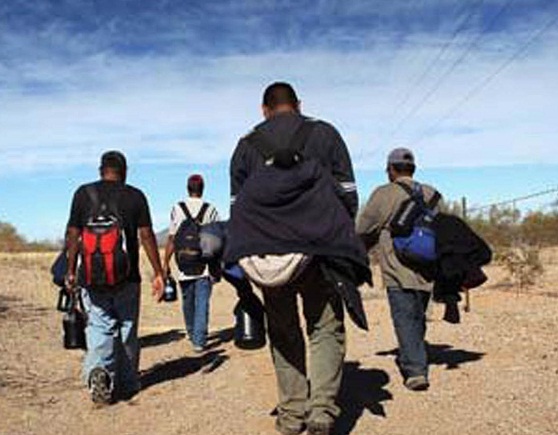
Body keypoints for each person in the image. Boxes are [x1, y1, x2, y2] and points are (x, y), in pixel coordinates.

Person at [228, 82, 364, 435]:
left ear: (264, 109)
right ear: (298, 105)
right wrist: (337, 235)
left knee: (284, 331)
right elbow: (349, 196)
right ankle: (321, 412)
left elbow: (237, 208)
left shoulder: (245, 146)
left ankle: (291, 415)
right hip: (320, 251)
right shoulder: (326, 134)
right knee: (324, 327)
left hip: (269, 256)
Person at [65, 150, 165, 404]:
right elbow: (146, 236)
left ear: (101, 170)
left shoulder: (82, 194)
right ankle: (127, 382)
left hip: (90, 276)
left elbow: (73, 234)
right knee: (127, 328)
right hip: (127, 277)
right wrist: (158, 272)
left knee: (100, 326)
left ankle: (99, 371)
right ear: (125, 171)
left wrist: (70, 270)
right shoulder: (135, 196)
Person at [356, 147, 442, 391]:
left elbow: (364, 228)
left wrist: (359, 250)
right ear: (413, 168)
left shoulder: (384, 194)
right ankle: (415, 353)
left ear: (390, 170)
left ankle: (415, 371)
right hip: (427, 266)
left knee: (404, 317)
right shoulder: (432, 194)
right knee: (418, 314)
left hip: (398, 267)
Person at [163, 174, 220, 353]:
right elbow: (216, 239)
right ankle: (199, 340)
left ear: (188, 188)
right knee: (202, 302)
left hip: (183, 265)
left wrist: (165, 263)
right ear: (202, 188)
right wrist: (217, 266)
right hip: (204, 265)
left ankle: (191, 332)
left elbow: (171, 238)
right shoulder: (210, 209)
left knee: (188, 301)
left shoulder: (177, 208)